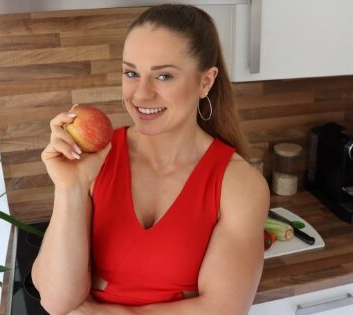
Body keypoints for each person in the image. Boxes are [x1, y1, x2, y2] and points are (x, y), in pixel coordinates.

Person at [31, 4, 270, 315]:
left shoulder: (239, 184)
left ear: (205, 82)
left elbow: (223, 309)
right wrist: (70, 187)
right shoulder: (93, 160)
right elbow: (56, 301)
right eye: (131, 73)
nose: (141, 95)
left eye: (164, 76)